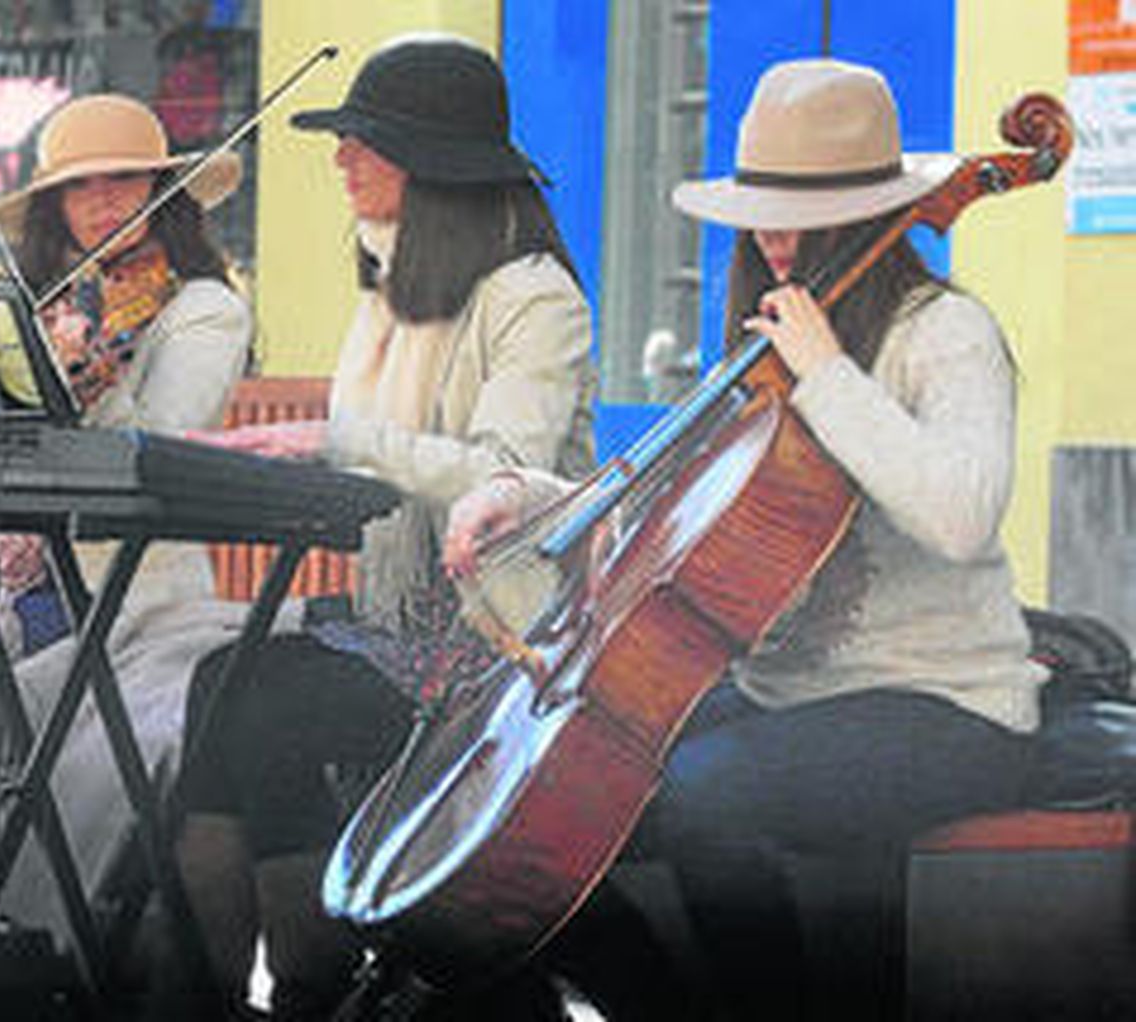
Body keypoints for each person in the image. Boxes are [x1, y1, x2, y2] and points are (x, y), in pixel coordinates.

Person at [443, 59, 1046, 1021]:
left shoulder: (945, 332)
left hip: (943, 702)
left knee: (693, 796)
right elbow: (675, 495)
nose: (769, 233)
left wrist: (827, 373)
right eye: (758, 206)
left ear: (867, 210)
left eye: (797, 210)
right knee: (549, 811)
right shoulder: (767, 330)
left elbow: (962, 514)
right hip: (789, 694)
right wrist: (529, 497)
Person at [174, 34, 597, 1020]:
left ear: (436, 164)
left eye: (367, 141)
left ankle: (310, 995)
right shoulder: (387, 291)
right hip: (395, 612)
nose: (340, 159)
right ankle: (197, 993)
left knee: (281, 707)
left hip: (495, 645)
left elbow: (506, 476)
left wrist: (341, 441)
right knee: (221, 683)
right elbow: (366, 463)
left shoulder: (533, 296)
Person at [0, 93, 272, 970]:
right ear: (53, 205)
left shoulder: (203, 309)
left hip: (120, 604)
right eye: (83, 188)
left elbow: (157, 442)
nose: (108, 202)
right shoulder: (26, 297)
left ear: (164, 189)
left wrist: (93, 380)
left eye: (127, 181)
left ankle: (8, 954)